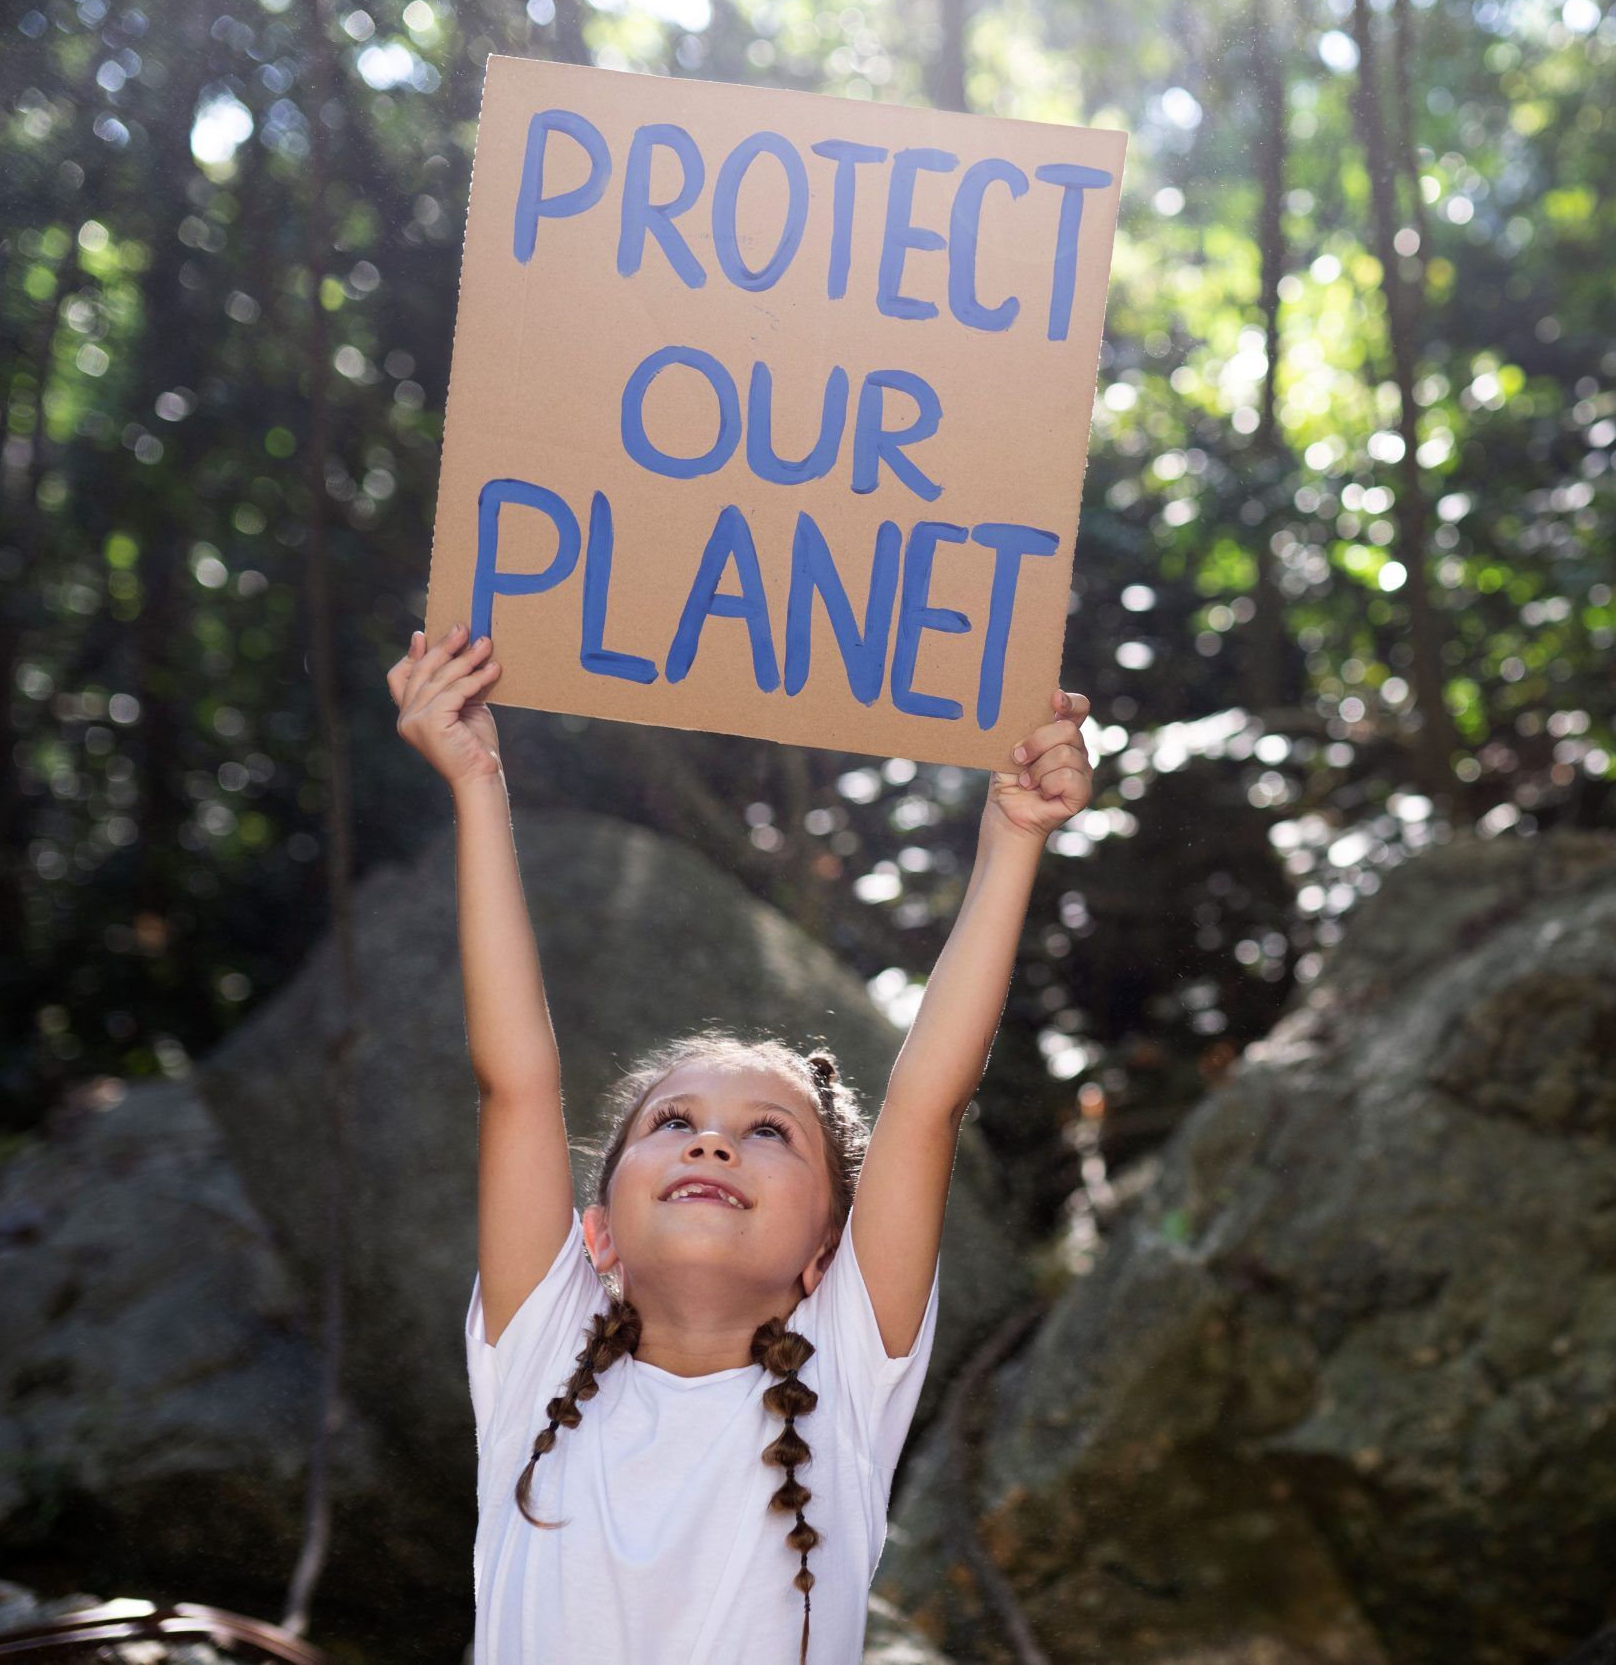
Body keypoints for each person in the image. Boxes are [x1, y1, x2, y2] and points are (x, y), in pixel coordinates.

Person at [386, 622, 1093, 1664]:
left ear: (825, 1255)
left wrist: (1014, 839)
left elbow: (925, 1104)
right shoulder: (539, 1354)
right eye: (672, 1123)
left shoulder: (847, 1377)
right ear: (597, 1234)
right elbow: (519, 1082)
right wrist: (477, 783)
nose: (711, 1146)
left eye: (768, 1134)